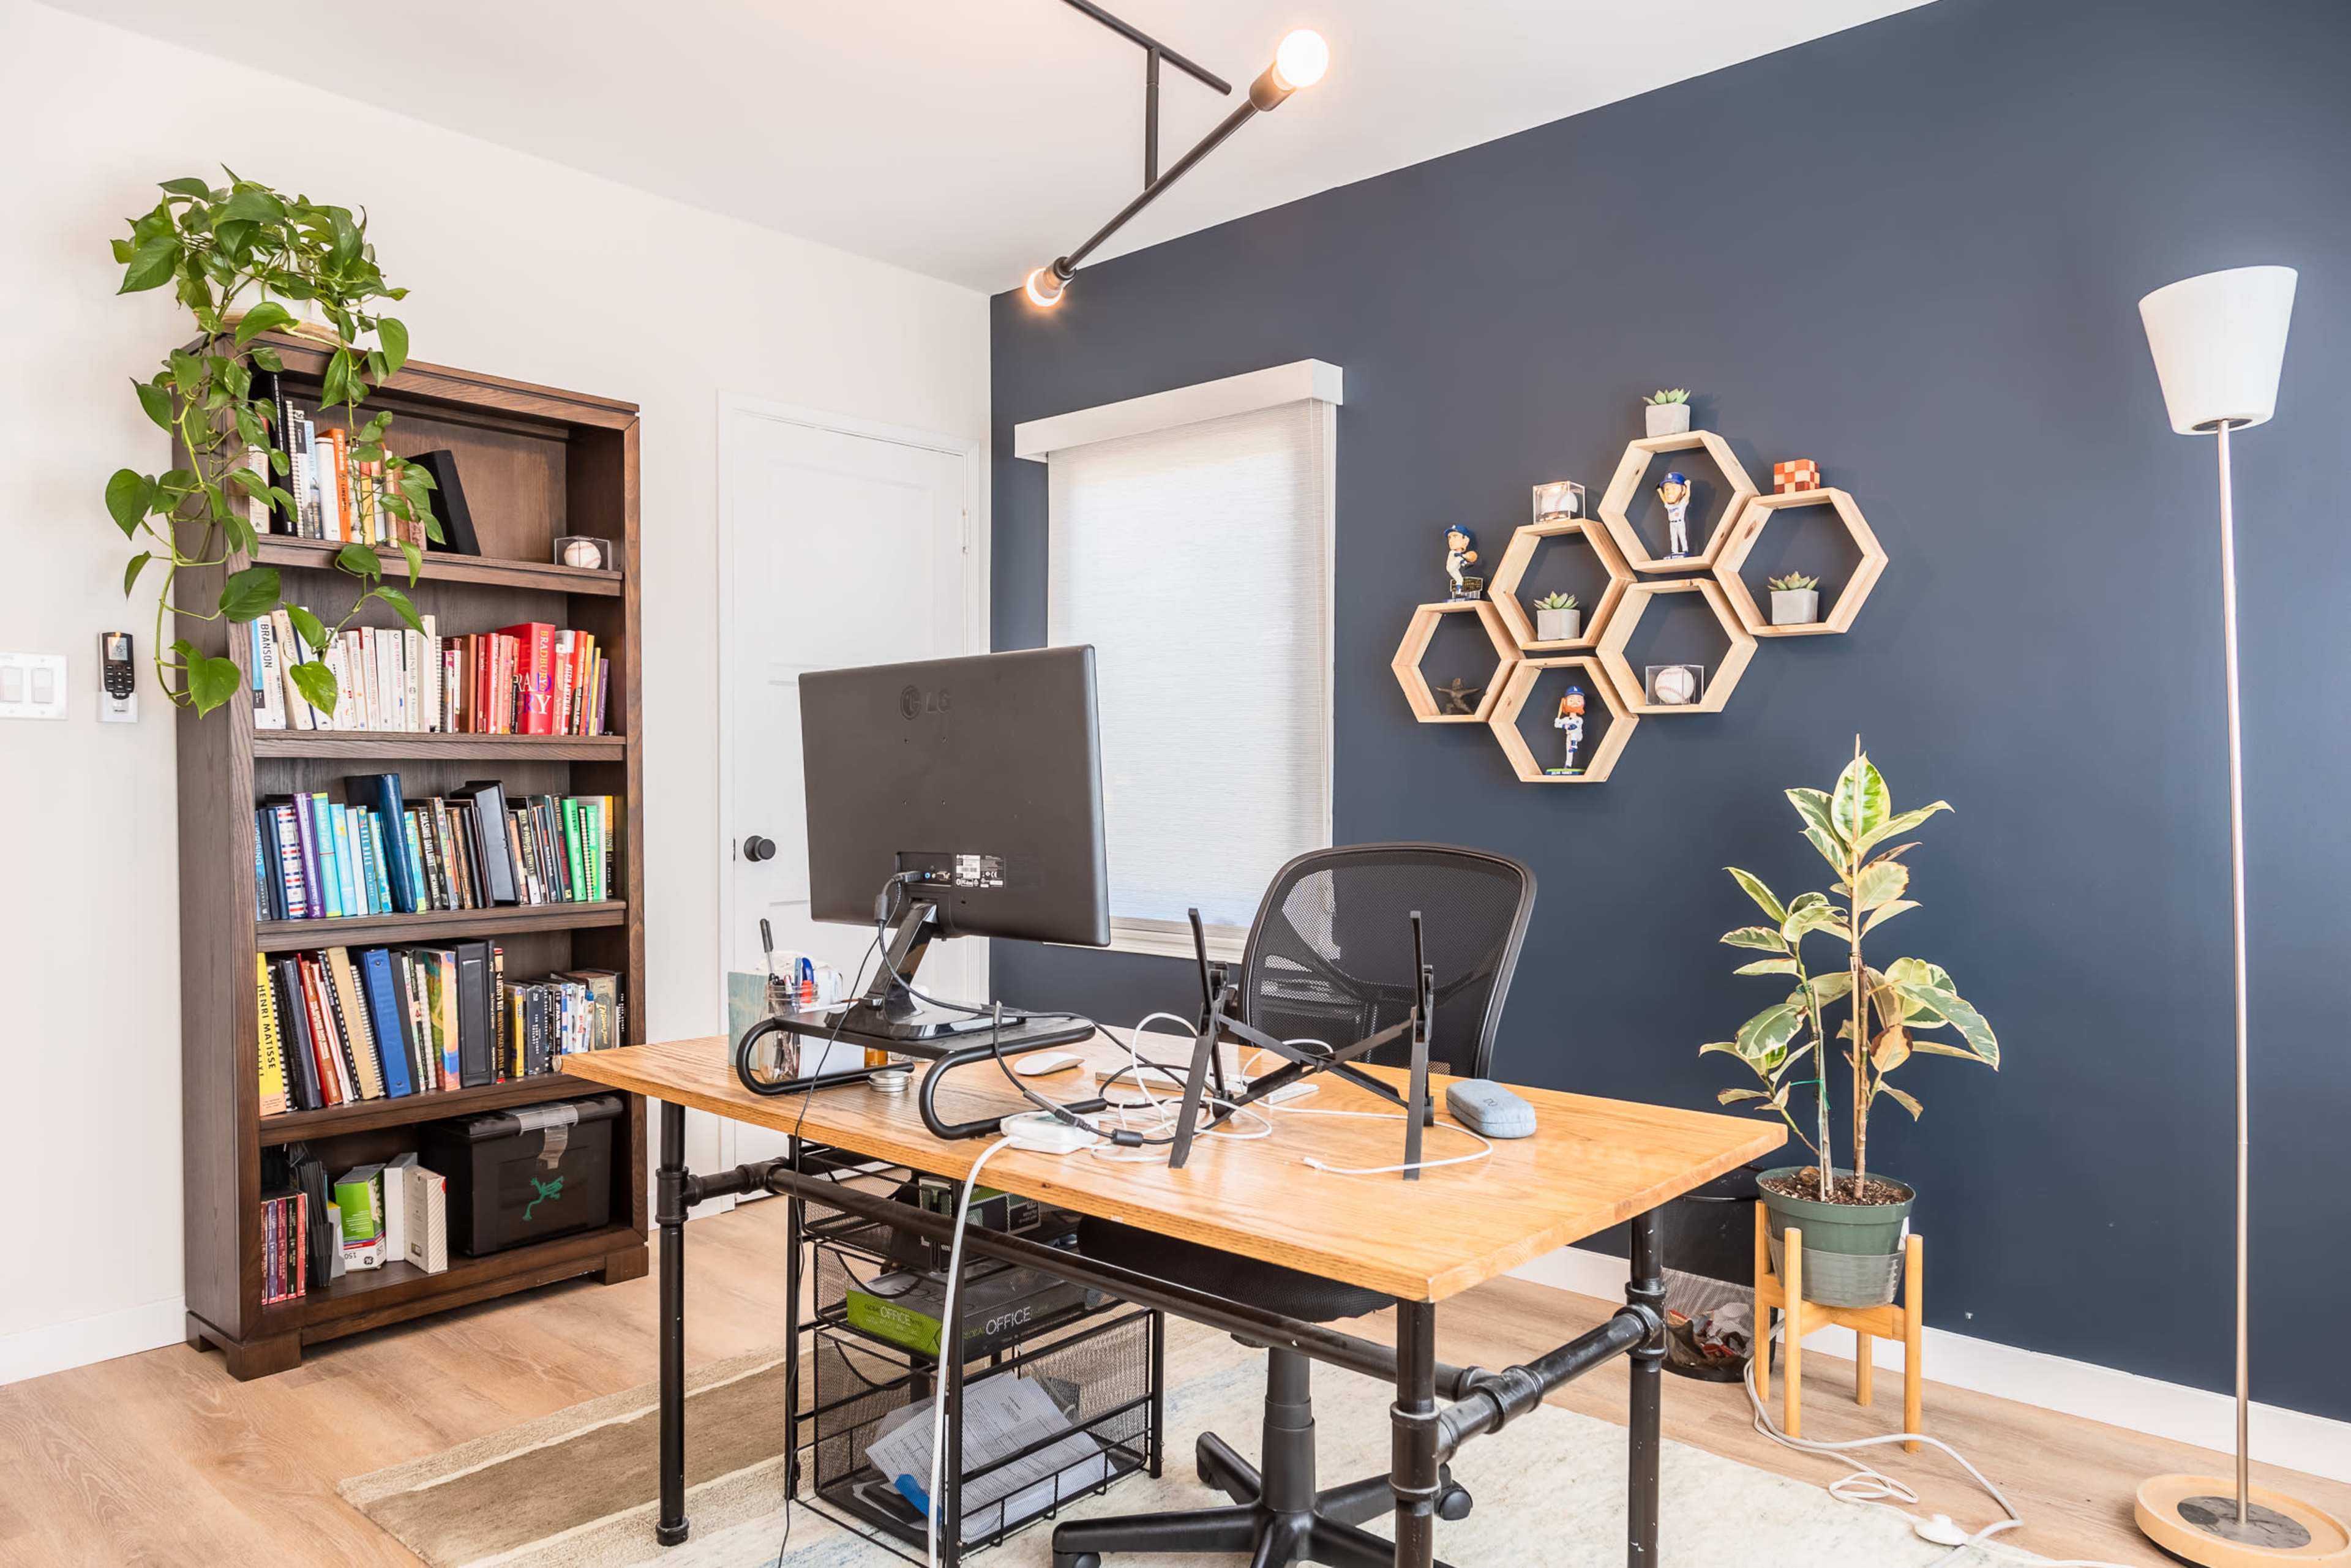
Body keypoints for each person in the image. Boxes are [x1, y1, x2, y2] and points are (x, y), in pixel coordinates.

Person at [1549, 685, 1586, 775]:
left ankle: (1574, 746)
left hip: (1578, 736)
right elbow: (1558, 725)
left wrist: (1564, 726)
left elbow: (1573, 727)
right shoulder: (1566, 719)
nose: (1575, 702)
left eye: (1579, 700)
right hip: (1569, 737)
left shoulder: (1579, 719)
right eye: (1571, 700)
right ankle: (1568, 765)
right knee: (1568, 752)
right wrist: (1557, 722)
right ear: (1565, 703)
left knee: (1572, 731)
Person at [1658, 472, 1693, 557]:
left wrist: (1688, 486)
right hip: (1672, 523)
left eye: (1674, 488)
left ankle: (1685, 550)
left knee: (1682, 537)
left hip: (1680, 522)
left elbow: (1687, 496)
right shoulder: (1669, 506)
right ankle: (1674, 552)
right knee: (1673, 538)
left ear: (1683, 490)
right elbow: (1664, 500)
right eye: (1667, 489)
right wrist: (1659, 491)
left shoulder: (1682, 504)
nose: (1670, 492)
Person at [1444, 525, 1480, 599]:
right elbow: (1458, 555)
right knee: (1458, 558)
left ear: (1465, 539)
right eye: (1449, 537)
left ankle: (1458, 593)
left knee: (1460, 580)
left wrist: (1467, 556)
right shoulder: (1452, 552)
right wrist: (1465, 557)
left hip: (1454, 569)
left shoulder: (1459, 554)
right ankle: (1465, 564)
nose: (1451, 540)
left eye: (1455, 536)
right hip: (1450, 567)